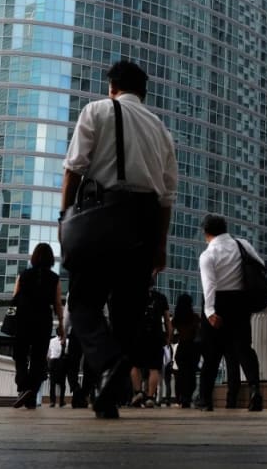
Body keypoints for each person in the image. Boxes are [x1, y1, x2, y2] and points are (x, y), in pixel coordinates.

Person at [61, 59, 178, 419]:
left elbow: (74, 169)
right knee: (127, 312)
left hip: (101, 217)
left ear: (112, 87)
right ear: (144, 92)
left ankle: (110, 365)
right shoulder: (161, 130)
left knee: (83, 302)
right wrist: (160, 246)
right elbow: (166, 198)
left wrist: (65, 218)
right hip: (145, 222)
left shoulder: (97, 110)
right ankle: (109, 396)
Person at [196, 214, 263, 412]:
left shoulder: (208, 255)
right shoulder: (242, 244)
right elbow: (260, 264)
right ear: (225, 228)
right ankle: (255, 391)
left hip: (218, 302)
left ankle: (205, 400)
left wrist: (210, 311)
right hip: (240, 302)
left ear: (206, 232)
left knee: (212, 354)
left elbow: (209, 285)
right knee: (244, 349)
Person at [10, 242, 64, 410]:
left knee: (20, 355)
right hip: (43, 320)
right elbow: (57, 304)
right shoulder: (54, 278)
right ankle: (31, 395)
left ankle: (23, 386)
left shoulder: (23, 275)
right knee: (38, 358)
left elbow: (14, 298)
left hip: (23, 318)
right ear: (50, 259)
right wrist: (61, 324)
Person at [128, 279, 171, 408]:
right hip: (156, 336)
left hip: (137, 335)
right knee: (154, 368)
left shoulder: (133, 296)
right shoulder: (161, 298)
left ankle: (138, 392)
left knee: (135, 365)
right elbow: (167, 320)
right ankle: (150, 398)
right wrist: (168, 336)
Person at [170, 293, 201, 408]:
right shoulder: (195, 318)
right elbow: (199, 333)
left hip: (182, 348)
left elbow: (172, 337)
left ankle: (182, 397)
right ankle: (187, 396)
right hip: (193, 349)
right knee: (191, 374)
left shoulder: (176, 319)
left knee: (182, 374)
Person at [47, 331, 67, 407]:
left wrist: (49, 362)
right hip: (62, 362)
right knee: (62, 384)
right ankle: (61, 401)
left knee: (52, 383)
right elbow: (67, 352)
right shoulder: (66, 341)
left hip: (52, 362)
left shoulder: (51, 340)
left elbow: (49, 353)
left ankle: (52, 401)